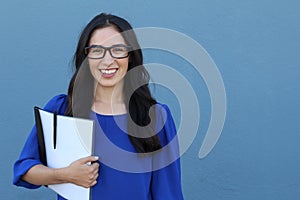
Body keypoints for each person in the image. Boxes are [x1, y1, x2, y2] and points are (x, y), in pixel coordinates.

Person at [13, 13, 184, 200]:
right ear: (85, 57)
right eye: (96, 50)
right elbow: (24, 169)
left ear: (131, 56)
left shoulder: (155, 117)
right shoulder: (63, 110)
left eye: (117, 49)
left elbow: (168, 193)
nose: (108, 60)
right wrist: (63, 175)